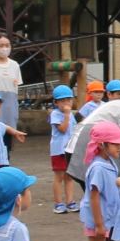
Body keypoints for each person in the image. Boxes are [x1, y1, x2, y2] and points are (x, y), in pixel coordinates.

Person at [47, 85, 77, 215]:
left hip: (69, 149)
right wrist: (66, 115)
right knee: (59, 176)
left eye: (68, 100)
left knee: (69, 177)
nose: (66, 103)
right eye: (62, 101)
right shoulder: (55, 114)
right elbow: (63, 129)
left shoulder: (71, 115)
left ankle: (70, 202)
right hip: (59, 150)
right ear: (55, 102)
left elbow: (75, 129)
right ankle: (58, 203)